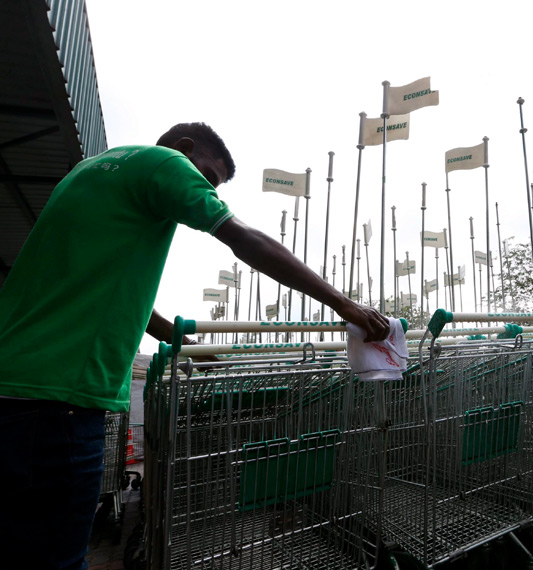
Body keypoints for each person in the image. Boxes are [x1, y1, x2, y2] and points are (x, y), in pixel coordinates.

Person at [0, 122, 390, 570]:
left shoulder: (89, 173)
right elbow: (244, 238)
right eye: (206, 177)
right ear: (184, 149)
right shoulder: (164, 161)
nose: (205, 190)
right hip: (58, 400)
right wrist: (346, 306)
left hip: (14, 387)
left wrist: (187, 346)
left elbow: (113, 300)